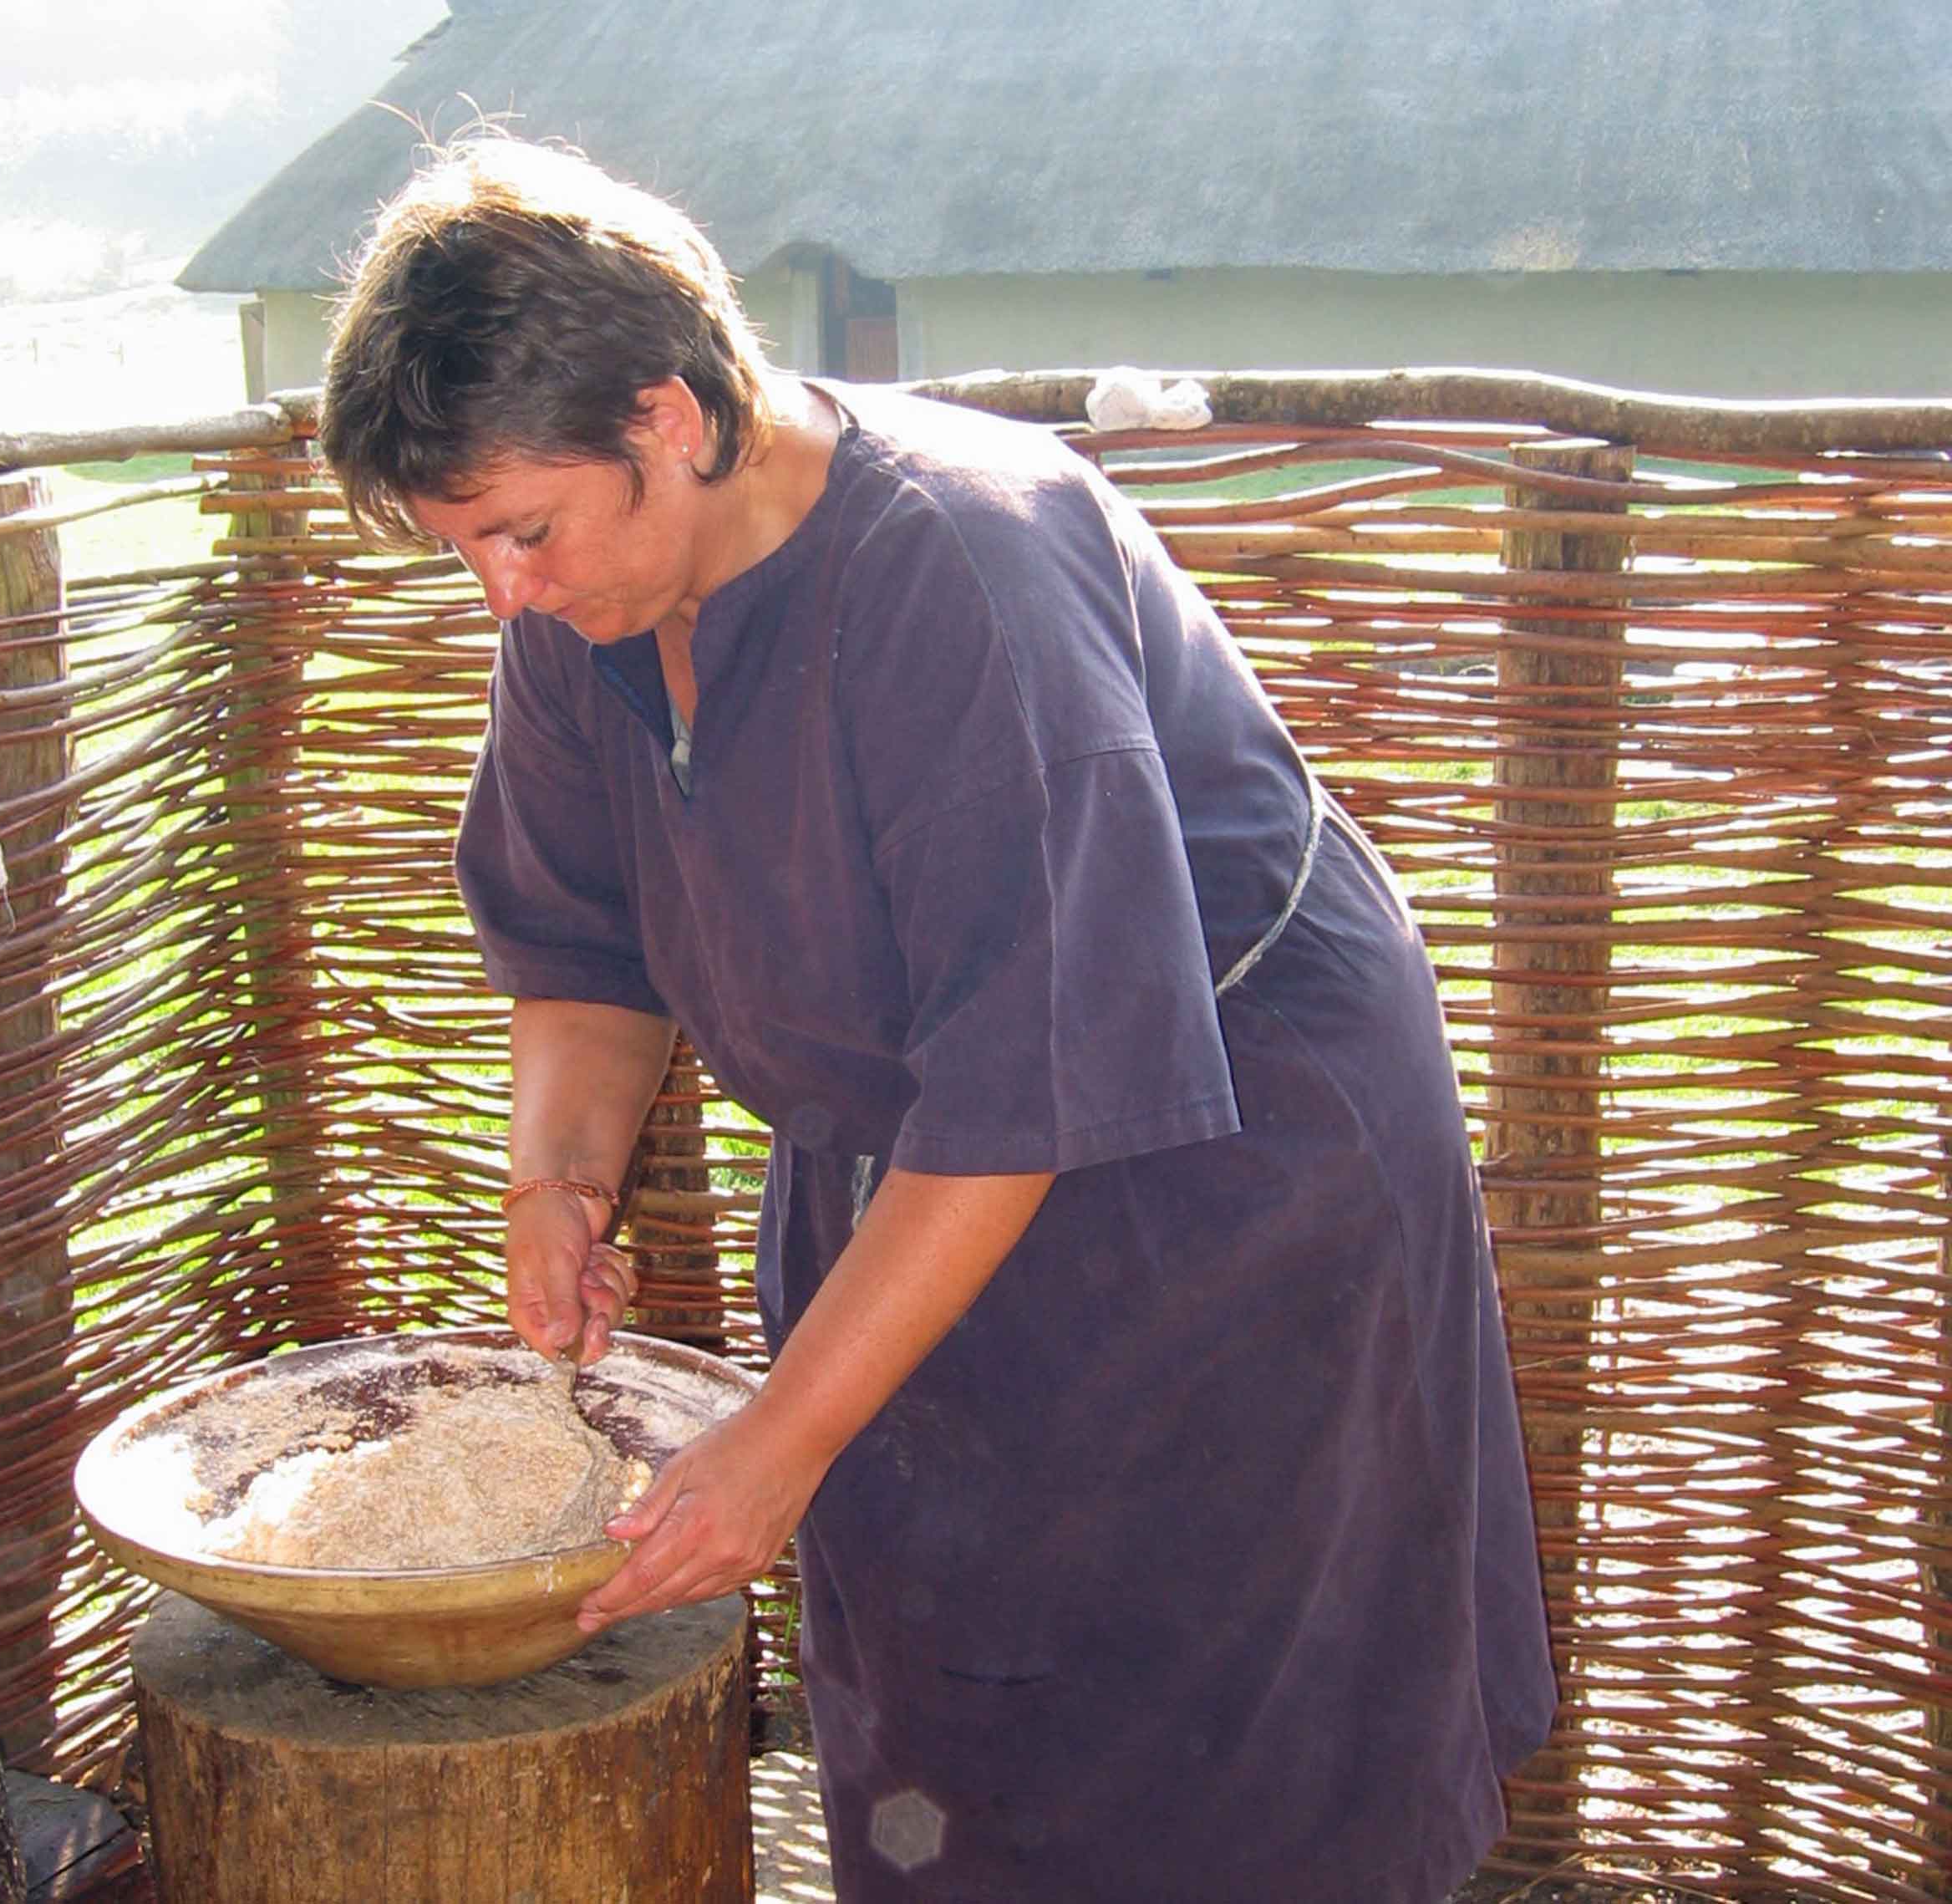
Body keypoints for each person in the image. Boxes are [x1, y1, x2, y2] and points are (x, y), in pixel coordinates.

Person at [320, 134, 1556, 1903]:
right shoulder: (582, 610)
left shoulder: (962, 570)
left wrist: (776, 1438)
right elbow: (582, 942)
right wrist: (556, 1181)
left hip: (1228, 1172)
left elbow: (1029, 1074)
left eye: (520, 532)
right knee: (953, 1658)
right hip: (932, 1145)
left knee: (1219, 1717)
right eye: (464, 552)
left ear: (669, 416)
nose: (500, 594)